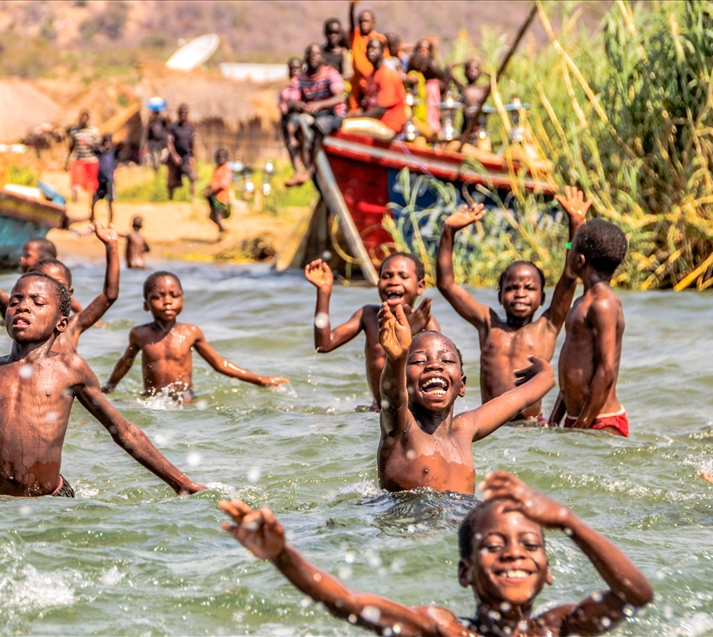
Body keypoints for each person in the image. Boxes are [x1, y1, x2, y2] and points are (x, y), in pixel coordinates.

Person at [0, 272, 205, 497]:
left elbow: (123, 431)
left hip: (51, 501)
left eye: (38, 303)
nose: (23, 306)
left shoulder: (70, 369)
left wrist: (181, 483)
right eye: (15, 301)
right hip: (1, 505)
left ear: (60, 324)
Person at [220, 471, 653, 636]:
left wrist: (569, 522)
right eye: (493, 545)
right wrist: (283, 556)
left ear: (549, 572)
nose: (513, 555)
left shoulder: (559, 628)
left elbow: (635, 595)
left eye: (530, 545)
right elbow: (352, 604)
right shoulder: (444, 630)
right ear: (465, 572)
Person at [436, 194, 586, 421]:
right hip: (491, 427)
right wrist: (448, 232)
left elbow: (570, 274)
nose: (520, 293)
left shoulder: (548, 325)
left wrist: (575, 225)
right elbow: (446, 284)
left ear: (543, 298)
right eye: (512, 287)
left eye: (529, 288)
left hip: (529, 428)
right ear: (500, 296)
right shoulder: (487, 323)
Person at [377, 302, 554, 493]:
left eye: (447, 360)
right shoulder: (401, 429)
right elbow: (392, 399)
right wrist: (396, 360)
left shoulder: (464, 429)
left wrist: (546, 375)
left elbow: (516, 400)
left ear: (462, 385)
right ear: (404, 382)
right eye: (419, 361)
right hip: (408, 519)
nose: (434, 365)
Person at [102, 271, 289, 401]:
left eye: (174, 295)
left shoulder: (191, 332)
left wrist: (260, 380)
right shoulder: (140, 334)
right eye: (158, 297)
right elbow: (125, 363)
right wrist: (109, 387)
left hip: (186, 399)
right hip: (153, 401)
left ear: (182, 301)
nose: (167, 301)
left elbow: (219, 364)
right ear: (146, 305)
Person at [0, 223, 120, 352]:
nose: (51, 291)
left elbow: (109, 295)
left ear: (70, 293)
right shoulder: (22, 318)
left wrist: (112, 246)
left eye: (59, 285)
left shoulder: (72, 327)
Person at [305, 254, 439, 411]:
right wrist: (324, 291)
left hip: (409, 414)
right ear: (378, 283)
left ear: (420, 286)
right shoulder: (368, 316)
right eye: (386, 276)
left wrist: (412, 332)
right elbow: (323, 344)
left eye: (403, 276)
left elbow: (435, 373)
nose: (394, 281)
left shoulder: (426, 323)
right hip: (379, 410)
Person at [548, 218, 630, 436]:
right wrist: (554, 420)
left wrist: (582, 426)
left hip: (602, 421)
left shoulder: (604, 304)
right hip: (579, 421)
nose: (567, 253)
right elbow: (571, 369)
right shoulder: (580, 303)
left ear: (580, 260)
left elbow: (606, 370)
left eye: (568, 248)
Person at [284, 43, 346, 187]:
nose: (313, 57)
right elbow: (292, 101)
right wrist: (301, 105)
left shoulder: (331, 74)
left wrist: (319, 105)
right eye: (309, 54)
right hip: (311, 113)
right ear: (305, 58)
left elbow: (339, 98)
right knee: (290, 125)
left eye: (316, 54)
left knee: (319, 126)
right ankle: (298, 169)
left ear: (322, 58)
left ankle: (310, 169)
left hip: (332, 113)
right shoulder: (299, 79)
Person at [347, 0, 389, 114]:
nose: (363, 24)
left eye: (366, 21)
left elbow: (385, 60)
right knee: (353, 110)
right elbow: (351, 25)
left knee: (372, 109)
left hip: (372, 80)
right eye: (361, 22)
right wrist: (351, 7)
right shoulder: (356, 36)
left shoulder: (378, 39)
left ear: (373, 23)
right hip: (357, 80)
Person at [360, 38, 408, 133]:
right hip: (375, 121)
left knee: (347, 127)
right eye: (369, 48)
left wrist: (359, 118)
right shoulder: (370, 75)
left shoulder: (386, 74)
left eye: (375, 48)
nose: (371, 51)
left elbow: (380, 111)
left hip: (389, 125)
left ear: (383, 52)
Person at [67, 111, 100, 203]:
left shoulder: (93, 131)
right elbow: (71, 145)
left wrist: (90, 143)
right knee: (76, 180)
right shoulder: (75, 131)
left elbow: (98, 144)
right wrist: (67, 159)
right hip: (78, 159)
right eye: (82, 118)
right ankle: (75, 200)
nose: (83, 120)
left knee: (91, 182)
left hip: (90, 159)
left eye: (85, 118)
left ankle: (91, 201)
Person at [166, 105, 197, 201]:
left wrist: (192, 156)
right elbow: (169, 142)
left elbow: (193, 143)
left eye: (185, 113)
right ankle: (171, 199)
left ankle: (193, 197)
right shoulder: (172, 127)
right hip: (175, 157)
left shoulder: (190, 127)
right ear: (178, 114)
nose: (183, 115)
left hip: (186, 156)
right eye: (181, 113)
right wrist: (174, 155)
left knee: (192, 176)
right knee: (172, 180)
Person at [278, 57, 303, 159]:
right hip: (288, 117)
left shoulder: (305, 84)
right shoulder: (286, 89)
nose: (294, 71)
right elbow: (283, 107)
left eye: (297, 68)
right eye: (292, 68)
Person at [92, 134, 118, 225]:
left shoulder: (113, 152)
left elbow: (123, 146)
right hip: (100, 181)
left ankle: (110, 223)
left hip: (109, 181)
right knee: (94, 201)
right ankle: (92, 220)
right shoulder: (99, 152)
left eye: (109, 142)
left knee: (110, 203)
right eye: (105, 142)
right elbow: (90, 146)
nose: (107, 144)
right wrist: (100, 146)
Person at [204, 148, 232, 235]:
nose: (221, 159)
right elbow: (213, 182)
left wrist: (212, 192)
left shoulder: (226, 170)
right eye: (219, 157)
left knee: (217, 216)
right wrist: (207, 189)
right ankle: (222, 231)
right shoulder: (217, 169)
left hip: (221, 199)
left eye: (223, 157)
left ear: (226, 159)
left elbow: (223, 185)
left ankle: (222, 233)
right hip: (214, 197)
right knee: (212, 216)